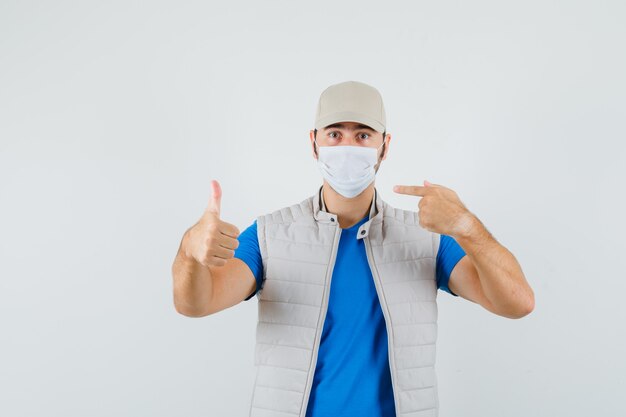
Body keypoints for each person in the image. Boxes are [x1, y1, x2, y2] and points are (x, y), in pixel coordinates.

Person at [172, 80, 535, 417]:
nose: (348, 147)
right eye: (335, 134)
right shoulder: (270, 235)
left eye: (363, 135)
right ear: (313, 142)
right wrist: (190, 253)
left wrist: (465, 227)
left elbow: (517, 302)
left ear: (385, 146)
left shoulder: (425, 239)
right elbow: (195, 303)